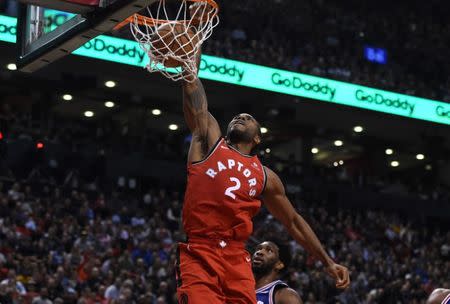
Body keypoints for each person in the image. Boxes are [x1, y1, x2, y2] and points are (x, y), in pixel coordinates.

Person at [176, 50, 350, 304]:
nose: (240, 118)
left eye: (248, 119)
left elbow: (293, 222)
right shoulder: (209, 140)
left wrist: (327, 261)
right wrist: (186, 60)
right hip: (201, 251)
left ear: (257, 138)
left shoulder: (266, 176)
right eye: (238, 116)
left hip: (236, 257)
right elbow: (192, 90)